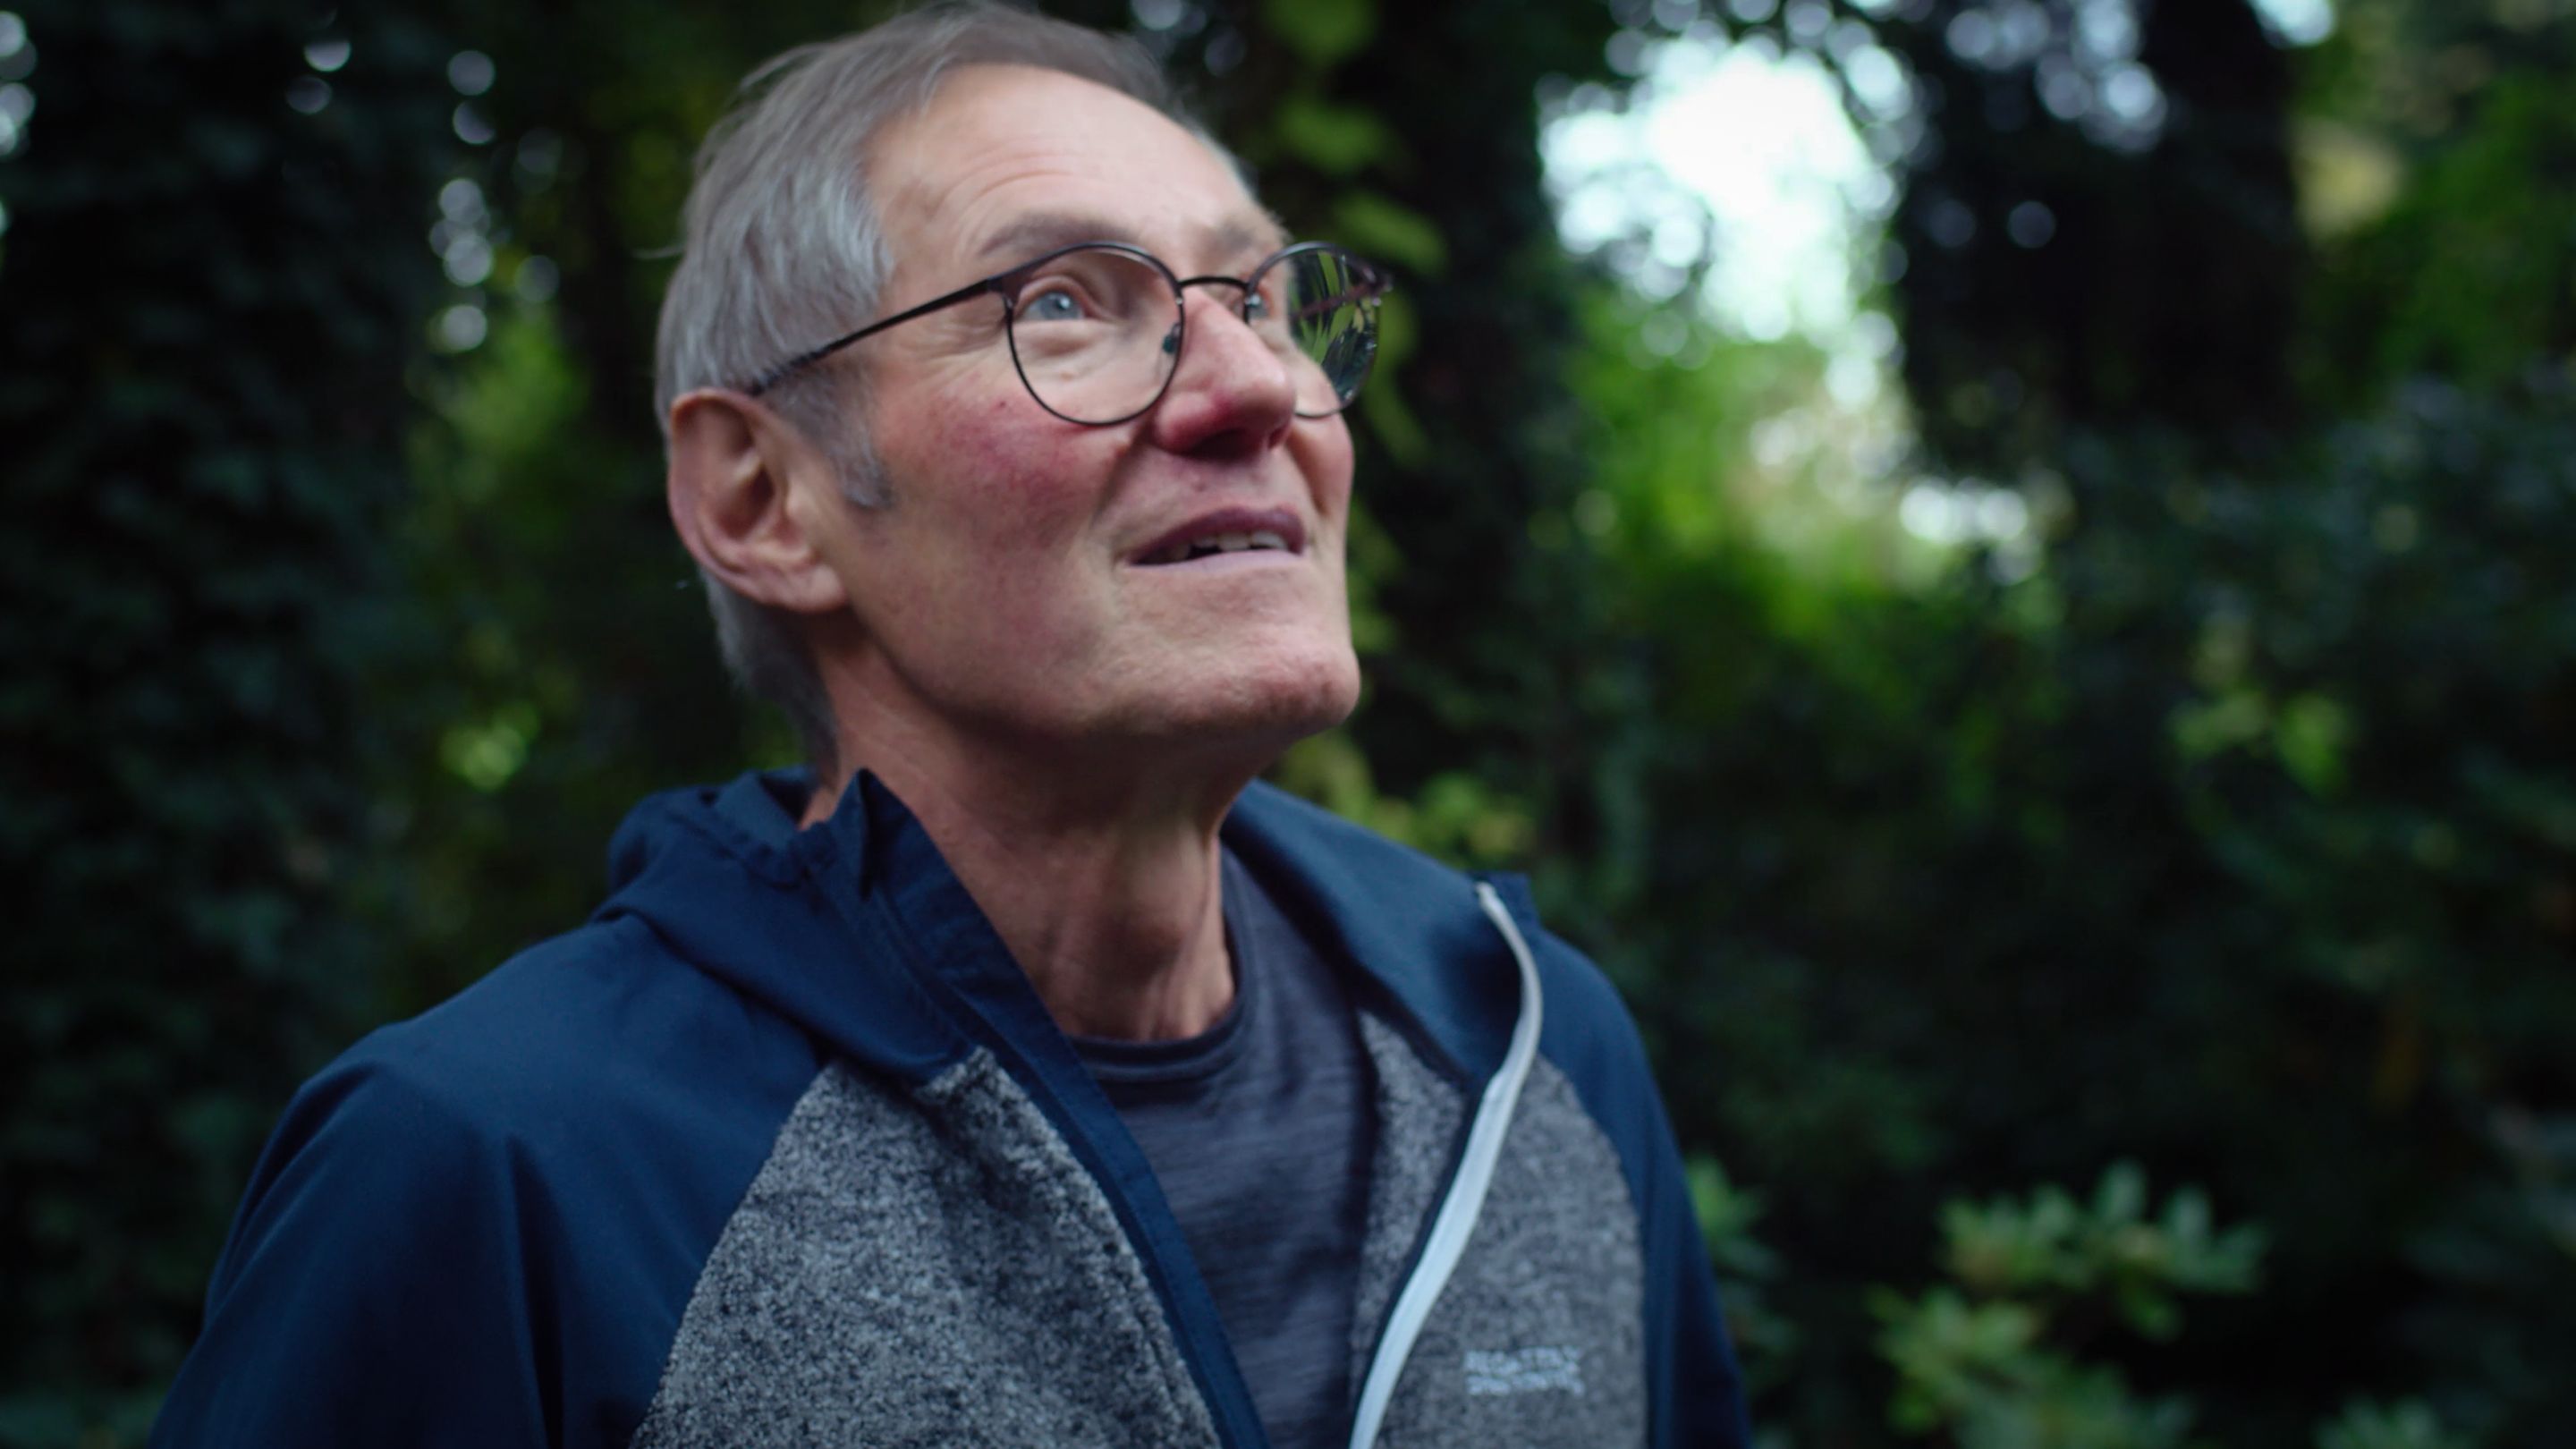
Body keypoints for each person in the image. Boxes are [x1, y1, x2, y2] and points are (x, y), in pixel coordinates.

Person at [150, 5, 1749, 1446]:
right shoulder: (488, 1169)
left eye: (1264, 300)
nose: (1256, 387)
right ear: (764, 499)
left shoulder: (1533, 1047)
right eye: (1064, 304)